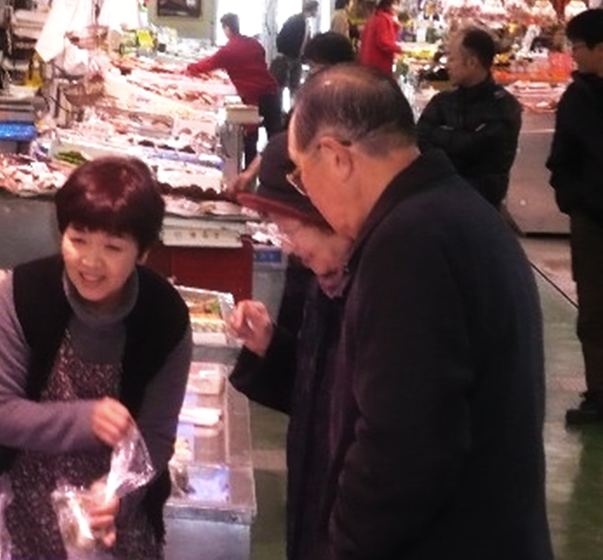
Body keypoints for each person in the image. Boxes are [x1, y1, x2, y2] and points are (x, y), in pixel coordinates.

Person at [284, 64, 552, 560]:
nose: (308, 195)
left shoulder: (410, 242)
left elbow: (405, 447)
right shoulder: (451, 212)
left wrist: (346, 545)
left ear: (335, 156)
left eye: (301, 175)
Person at [0, 156, 193, 560]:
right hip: (19, 513)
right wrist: (85, 419)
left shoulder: (166, 317)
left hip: (114, 524)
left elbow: (157, 435)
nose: (90, 262)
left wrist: (119, 495)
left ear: (142, 252)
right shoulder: (24, 293)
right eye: (78, 240)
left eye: (112, 247)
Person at [227, 133, 354, 560]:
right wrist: (272, 346)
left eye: (291, 230)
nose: (288, 247)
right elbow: (323, 394)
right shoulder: (331, 277)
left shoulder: (389, 284)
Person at [546, 9, 603, 426]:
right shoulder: (578, 97)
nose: (574, 56)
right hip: (592, 217)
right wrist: (574, 199)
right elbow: (561, 158)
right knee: (594, 308)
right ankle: (599, 391)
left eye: (578, 47)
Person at [228, 31, 354, 196]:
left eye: (317, 67)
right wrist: (250, 173)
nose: (312, 73)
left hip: (306, 196)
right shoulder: (311, 94)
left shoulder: (346, 105)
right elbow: (283, 135)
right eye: (311, 67)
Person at [417, 26, 522, 208]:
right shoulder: (442, 101)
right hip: (438, 204)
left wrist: (442, 136)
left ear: (472, 62)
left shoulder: (503, 107)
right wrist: (463, 139)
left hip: (482, 206)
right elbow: (420, 141)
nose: (447, 64)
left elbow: (481, 151)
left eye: (452, 58)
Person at [185, 12, 282, 165]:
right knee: (276, 137)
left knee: (251, 136)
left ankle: (249, 171)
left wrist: (189, 68)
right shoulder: (254, 43)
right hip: (272, 91)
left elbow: (207, 65)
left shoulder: (228, 50)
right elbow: (260, 62)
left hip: (252, 97)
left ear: (226, 28)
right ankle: (277, 171)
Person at [272, 0, 319, 94]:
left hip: (295, 56)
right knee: (285, 84)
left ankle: (291, 106)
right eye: (316, 9)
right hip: (290, 56)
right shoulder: (298, 21)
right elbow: (285, 38)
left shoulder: (301, 21)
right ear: (312, 9)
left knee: (293, 85)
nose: (317, 12)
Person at [358, 0, 402, 76]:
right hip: (378, 63)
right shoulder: (383, 19)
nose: (397, 8)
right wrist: (400, 49)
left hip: (369, 62)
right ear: (387, 6)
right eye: (395, 4)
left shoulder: (376, 17)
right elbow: (383, 42)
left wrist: (395, 25)